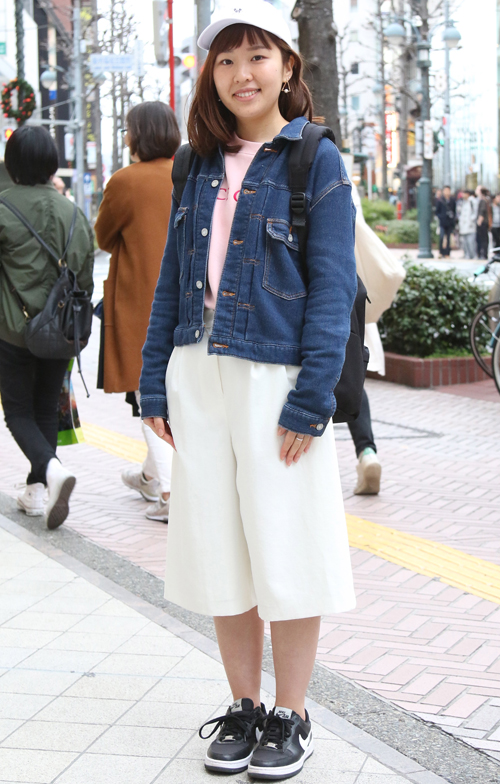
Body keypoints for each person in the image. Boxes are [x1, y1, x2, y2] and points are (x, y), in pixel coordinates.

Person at [139, 2, 357, 779]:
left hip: (276, 376)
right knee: (219, 548)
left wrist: (313, 398)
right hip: (199, 371)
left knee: (286, 546)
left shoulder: (314, 158)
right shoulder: (194, 163)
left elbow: (334, 288)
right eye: (225, 60)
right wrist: (153, 382)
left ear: (288, 66)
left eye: (257, 56)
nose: (241, 74)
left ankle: (291, 713)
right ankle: (244, 705)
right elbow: (171, 278)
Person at [0, 125, 94, 528]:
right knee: (44, 408)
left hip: (13, 330)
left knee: (17, 412)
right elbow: (85, 277)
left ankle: (51, 472)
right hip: (61, 331)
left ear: (12, 164)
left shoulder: (3, 207)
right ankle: (36, 491)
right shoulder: (72, 212)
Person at [95, 101, 181, 523]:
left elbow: (103, 236)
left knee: (149, 395)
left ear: (137, 135)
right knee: (177, 394)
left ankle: (168, 491)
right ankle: (149, 476)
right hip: (190, 301)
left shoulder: (125, 181)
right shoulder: (189, 173)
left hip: (141, 303)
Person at [435, 185, 456, 258]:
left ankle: (447, 253)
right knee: (441, 237)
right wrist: (441, 217)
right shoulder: (440, 200)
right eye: (445, 190)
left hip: (450, 222)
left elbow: (454, 211)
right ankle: (441, 252)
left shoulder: (452, 200)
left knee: (448, 238)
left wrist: (453, 218)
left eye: (448, 190)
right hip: (442, 222)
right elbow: (437, 211)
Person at [458, 190, 477, 259]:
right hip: (463, 226)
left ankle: (473, 256)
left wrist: (471, 220)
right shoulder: (462, 202)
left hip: (470, 226)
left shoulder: (472, 201)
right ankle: (467, 255)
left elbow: (475, 213)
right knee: (465, 243)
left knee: (471, 242)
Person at [476, 185, 490, 260]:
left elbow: (482, 212)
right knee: (484, 239)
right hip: (485, 223)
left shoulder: (483, 200)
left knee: (482, 239)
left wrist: (479, 222)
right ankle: (484, 254)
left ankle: (483, 254)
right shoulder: (487, 200)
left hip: (482, 223)